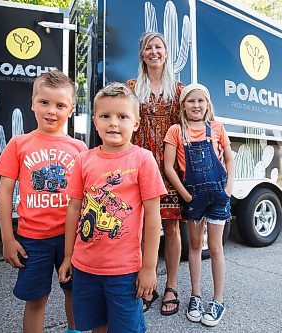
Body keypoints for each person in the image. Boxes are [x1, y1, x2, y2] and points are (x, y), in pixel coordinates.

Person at [59, 82, 166, 333]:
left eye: (122, 117)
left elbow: (153, 217)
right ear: (95, 120)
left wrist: (149, 268)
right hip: (85, 268)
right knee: (97, 325)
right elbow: (74, 208)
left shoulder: (142, 159)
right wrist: (67, 256)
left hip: (125, 272)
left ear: (136, 123)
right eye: (105, 116)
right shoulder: (84, 159)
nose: (113, 123)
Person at [0, 70, 87, 333]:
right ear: (32, 102)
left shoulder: (80, 149)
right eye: (44, 102)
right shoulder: (18, 144)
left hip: (72, 237)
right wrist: (8, 239)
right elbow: (4, 192)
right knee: (35, 299)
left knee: (75, 292)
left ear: (70, 109)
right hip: (32, 238)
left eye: (60, 105)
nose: (51, 111)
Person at [164, 83, 234, 327]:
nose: (196, 105)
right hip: (193, 198)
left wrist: (229, 187)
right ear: (183, 105)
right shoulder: (176, 131)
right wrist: (185, 195)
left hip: (218, 196)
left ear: (208, 104)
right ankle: (195, 296)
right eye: (191, 101)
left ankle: (218, 300)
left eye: (200, 101)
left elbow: (228, 157)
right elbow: (168, 166)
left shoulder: (216, 128)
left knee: (215, 248)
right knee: (194, 246)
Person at [126, 31, 185, 315]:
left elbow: (189, 130)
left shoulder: (179, 91)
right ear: (142, 54)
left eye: (158, 47)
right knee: (138, 228)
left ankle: (171, 286)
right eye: (148, 47)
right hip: (137, 167)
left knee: (171, 228)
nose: (153, 51)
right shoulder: (131, 87)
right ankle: (145, 282)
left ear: (166, 52)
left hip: (169, 169)